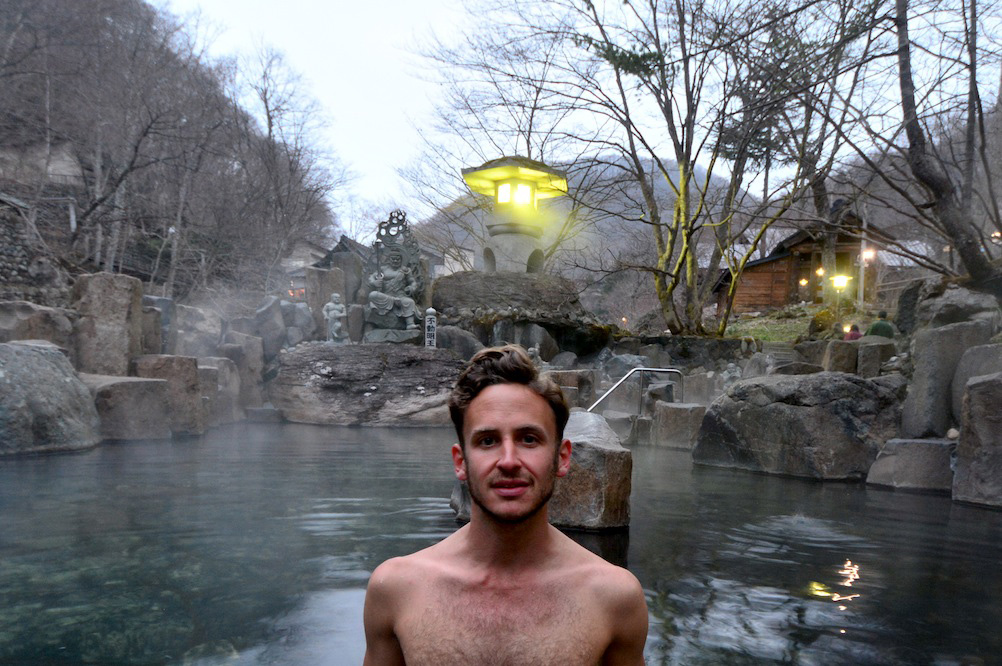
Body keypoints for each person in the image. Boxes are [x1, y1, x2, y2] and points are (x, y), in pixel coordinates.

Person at [363, 345, 649, 665]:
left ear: (562, 457)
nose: (509, 461)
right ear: (461, 462)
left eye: (529, 439)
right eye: (488, 441)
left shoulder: (613, 598)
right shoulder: (398, 589)